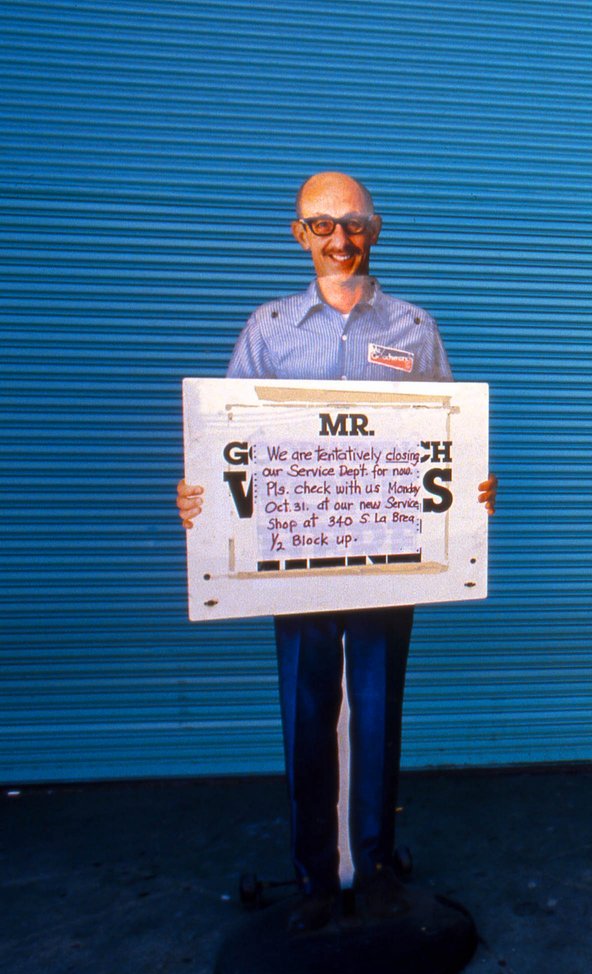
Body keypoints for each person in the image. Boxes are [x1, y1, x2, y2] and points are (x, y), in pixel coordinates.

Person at [176, 172, 496, 932]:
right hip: (296, 560)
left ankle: (376, 865)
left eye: (353, 225)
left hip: (391, 556)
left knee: (380, 709)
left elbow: (448, 437)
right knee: (308, 707)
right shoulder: (270, 329)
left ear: (375, 230)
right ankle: (316, 873)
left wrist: (477, 487)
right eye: (322, 226)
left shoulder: (414, 328)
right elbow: (227, 443)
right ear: (298, 234)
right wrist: (198, 494)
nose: (340, 240)